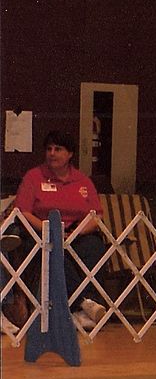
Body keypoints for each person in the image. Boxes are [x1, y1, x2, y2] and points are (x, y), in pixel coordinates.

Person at [11, 130, 108, 332]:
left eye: (58, 149)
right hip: (41, 231)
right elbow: (23, 212)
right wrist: (50, 230)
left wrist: (77, 233)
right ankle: (83, 303)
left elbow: (96, 215)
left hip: (75, 233)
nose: (52, 153)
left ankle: (87, 307)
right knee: (53, 249)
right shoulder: (34, 177)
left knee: (95, 247)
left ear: (70, 153)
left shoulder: (82, 180)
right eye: (49, 149)